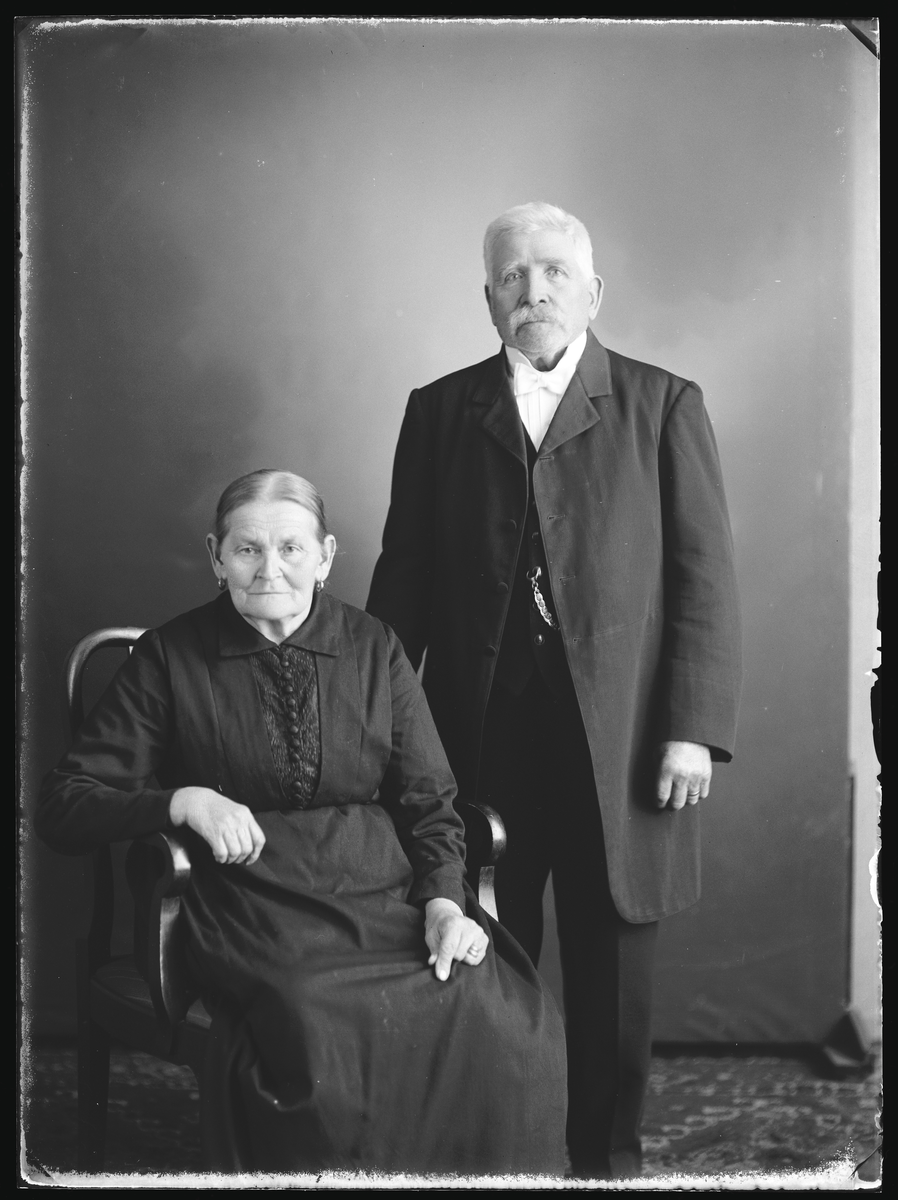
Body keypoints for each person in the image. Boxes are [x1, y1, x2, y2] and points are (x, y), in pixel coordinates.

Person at [36, 468, 567, 1177]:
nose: (269, 569)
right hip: (248, 906)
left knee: (504, 1019)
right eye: (247, 549)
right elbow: (64, 805)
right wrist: (181, 802)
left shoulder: (375, 647)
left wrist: (444, 902)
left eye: (290, 548)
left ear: (325, 556)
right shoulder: (169, 656)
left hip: (384, 899)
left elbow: (428, 800)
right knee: (317, 1030)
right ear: (216, 557)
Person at [366, 202, 743, 1179]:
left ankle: (607, 1160)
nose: (532, 291)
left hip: (621, 739)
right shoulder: (439, 411)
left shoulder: (662, 404)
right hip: (480, 731)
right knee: (491, 943)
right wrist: (376, 726)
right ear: (488, 298)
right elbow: (404, 580)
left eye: (553, 273)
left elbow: (703, 580)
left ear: (592, 291)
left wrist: (692, 729)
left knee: (613, 953)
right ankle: (506, 1153)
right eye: (511, 276)